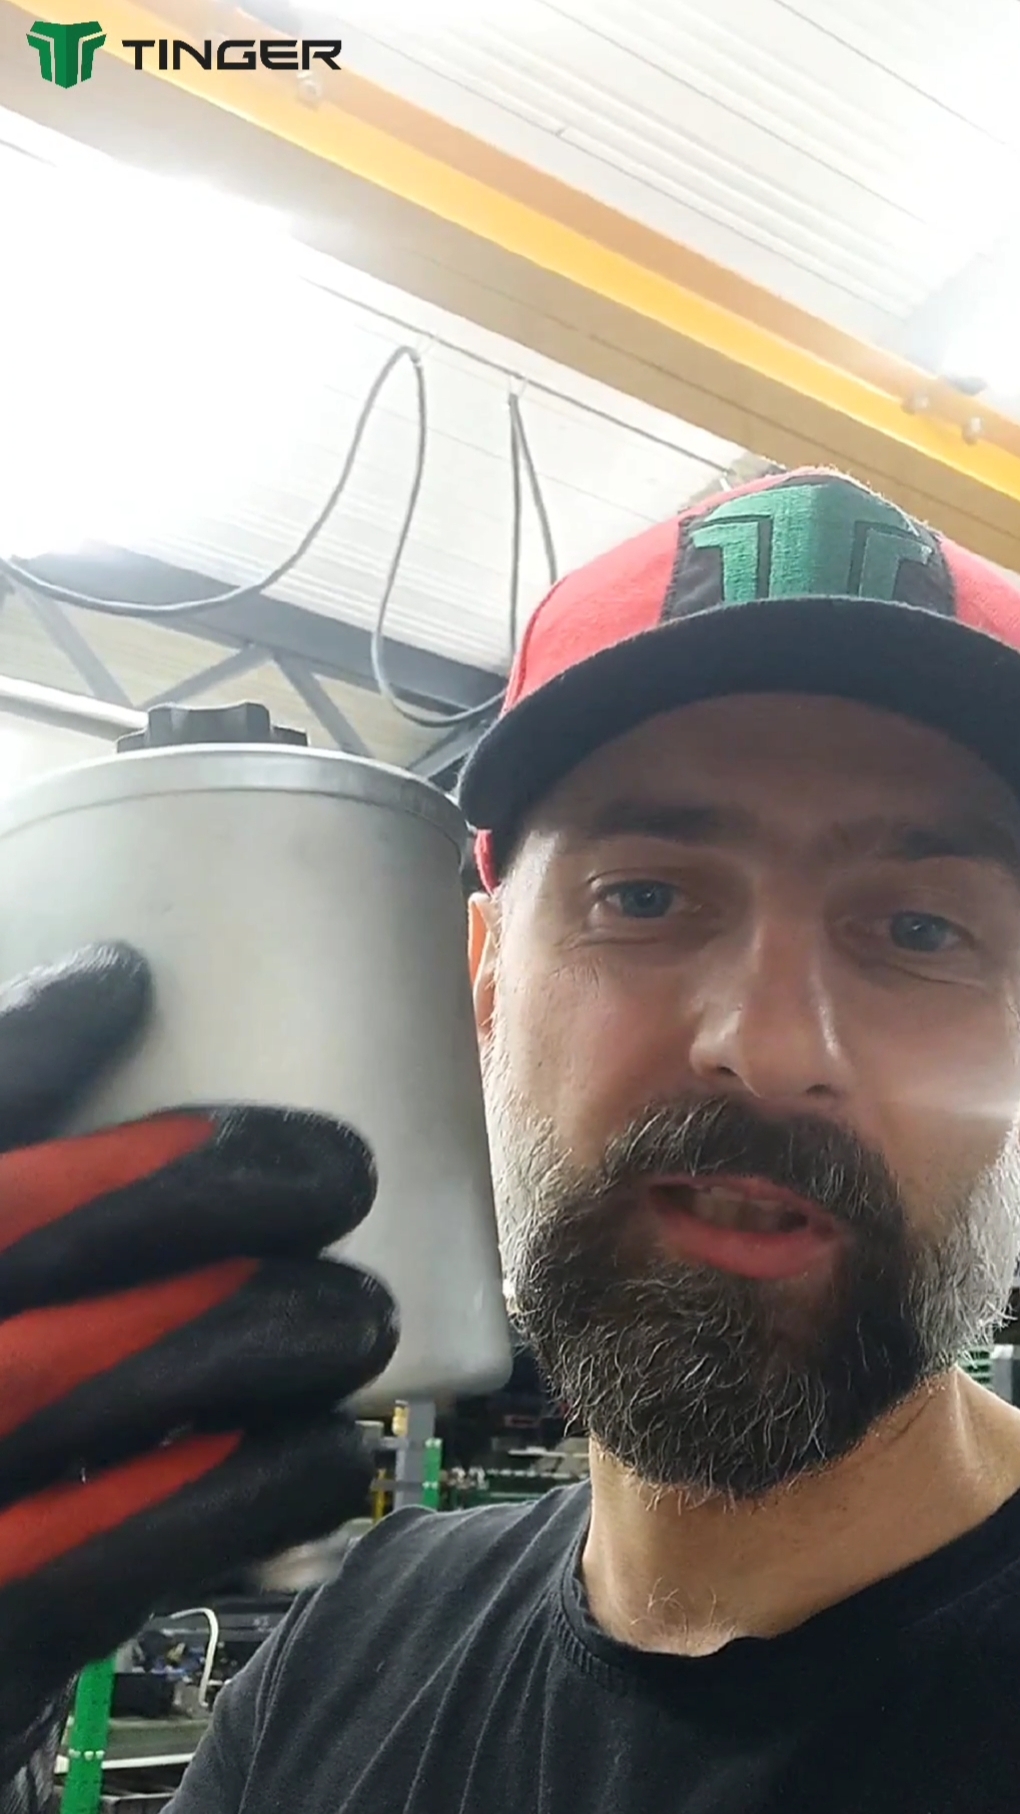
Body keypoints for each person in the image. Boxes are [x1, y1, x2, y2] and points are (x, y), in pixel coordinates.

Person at [3, 467, 1020, 1814]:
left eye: (920, 929)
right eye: (644, 897)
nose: (770, 1044)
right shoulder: (343, 1666)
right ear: (482, 980)